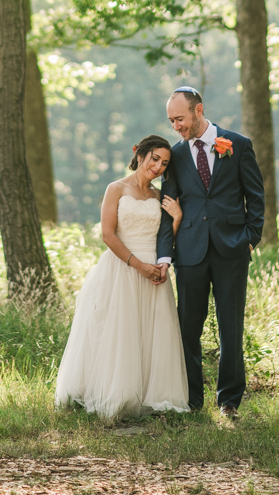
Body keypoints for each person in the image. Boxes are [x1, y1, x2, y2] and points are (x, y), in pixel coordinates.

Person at [55, 134, 189, 420]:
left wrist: (176, 220)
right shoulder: (115, 189)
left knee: (152, 332)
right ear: (139, 154)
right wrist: (137, 265)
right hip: (122, 266)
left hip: (154, 270)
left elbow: (163, 238)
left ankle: (152, 394)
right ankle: (117, 392)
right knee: (120, 330)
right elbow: (107, 234)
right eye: (155, 159)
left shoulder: (158, 195)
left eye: (165, 163)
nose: (159, 167)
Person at [157, 87, 264, 418]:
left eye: (180, 119)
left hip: (232, 248)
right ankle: (192, 400)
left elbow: (255, 196)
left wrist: (250, 238)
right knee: (188, 328)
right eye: (171, 121)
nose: (176, 126)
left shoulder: (239, 145)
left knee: (230, 327)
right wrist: (164, 254)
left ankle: (229, 400)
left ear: (198, 110)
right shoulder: (175, 156)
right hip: (189, 252)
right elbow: (166, 207)